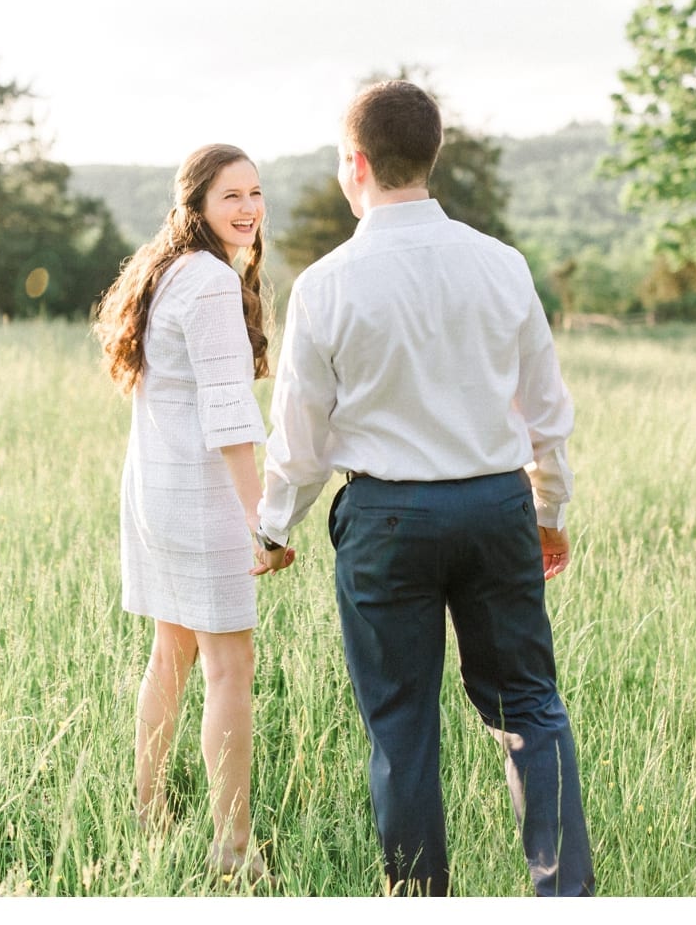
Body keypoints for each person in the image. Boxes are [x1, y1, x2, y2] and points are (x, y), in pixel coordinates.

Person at [252, 81, 594, 897]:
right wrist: (548, 509)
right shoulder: (502, 264)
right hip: (495, 509)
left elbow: (301, 437)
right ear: (430, 157)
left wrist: (271, 527)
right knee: (530, 710)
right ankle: (567, 899)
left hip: (387, 521)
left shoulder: (327, 285)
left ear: (356, 164)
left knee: (401, 732)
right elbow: (544, 407)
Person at [93, 143, 295, 886]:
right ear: (197, 208)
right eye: (229, 197)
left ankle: (148, 814)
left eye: (255, 193)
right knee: (229, 669)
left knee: (170, 654)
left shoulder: (166, 272)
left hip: (156, 495)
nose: (247, 208)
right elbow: (229, 416)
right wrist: (264, 522)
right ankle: (233, 850)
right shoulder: (208, 282)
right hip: (201, 500)